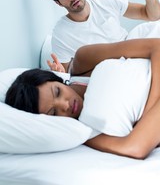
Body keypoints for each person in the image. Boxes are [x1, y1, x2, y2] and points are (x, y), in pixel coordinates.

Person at [5, 38, 160, 159]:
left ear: (56, 80)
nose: (65, 105)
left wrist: (149, 111)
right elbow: (134, 148)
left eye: (58, 92)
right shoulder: (86, 132)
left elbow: (156, 46)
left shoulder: (83, 61)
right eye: (53, 113)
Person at [43, 0, 160, 73]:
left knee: (156, 26)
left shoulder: (105, 2)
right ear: (58, 3)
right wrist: (59, 72)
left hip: (132, 50)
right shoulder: (61, 33)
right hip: (107, 69)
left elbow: (152, 15)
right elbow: (67, 71)